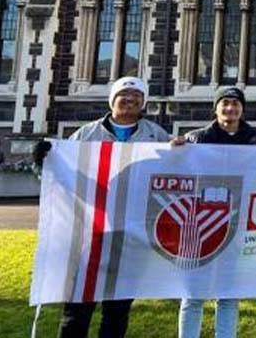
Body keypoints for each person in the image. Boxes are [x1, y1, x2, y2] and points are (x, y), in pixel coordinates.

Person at [35, 76, 172, 338]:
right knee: (77, 310)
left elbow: (175, 174)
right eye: (124, 94)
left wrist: (183, 152)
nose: (129, 99)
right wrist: (42, 161)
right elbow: (60, 175)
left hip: (129, 237)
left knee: (117, 312)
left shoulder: (157, 135)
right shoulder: (86, 134)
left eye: (136, 95)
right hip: (89, 234)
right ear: (112, 99)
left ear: (143, 102)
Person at [177, 86, 256, 338]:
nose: (230, 108)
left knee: (228, 293)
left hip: (237, 224)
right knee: (193, 294)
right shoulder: (196, 139)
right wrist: (173, 150)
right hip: (200, 224)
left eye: (235, 103)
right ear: (215, 108)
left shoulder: (254, 140)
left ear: (242, 109)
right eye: (225, 103)